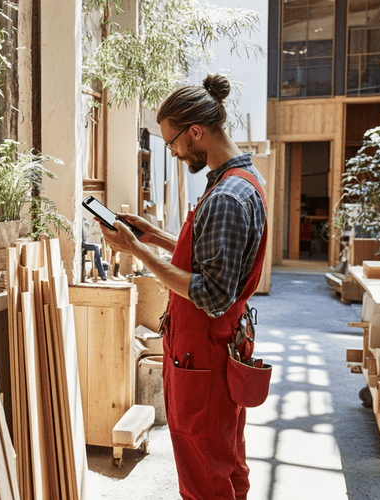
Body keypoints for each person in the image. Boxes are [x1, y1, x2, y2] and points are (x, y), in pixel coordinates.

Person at [99, 73, 267, 500]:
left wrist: (137, 252)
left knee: (204, 473)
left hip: (205, 355)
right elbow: (215, 259)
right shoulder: (239, 182)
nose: (172, 152)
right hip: (216, 348)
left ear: (196, 131)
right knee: (226, 460)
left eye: (172, 142)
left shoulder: (226, 197)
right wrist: (155, 235)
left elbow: (211, 293)